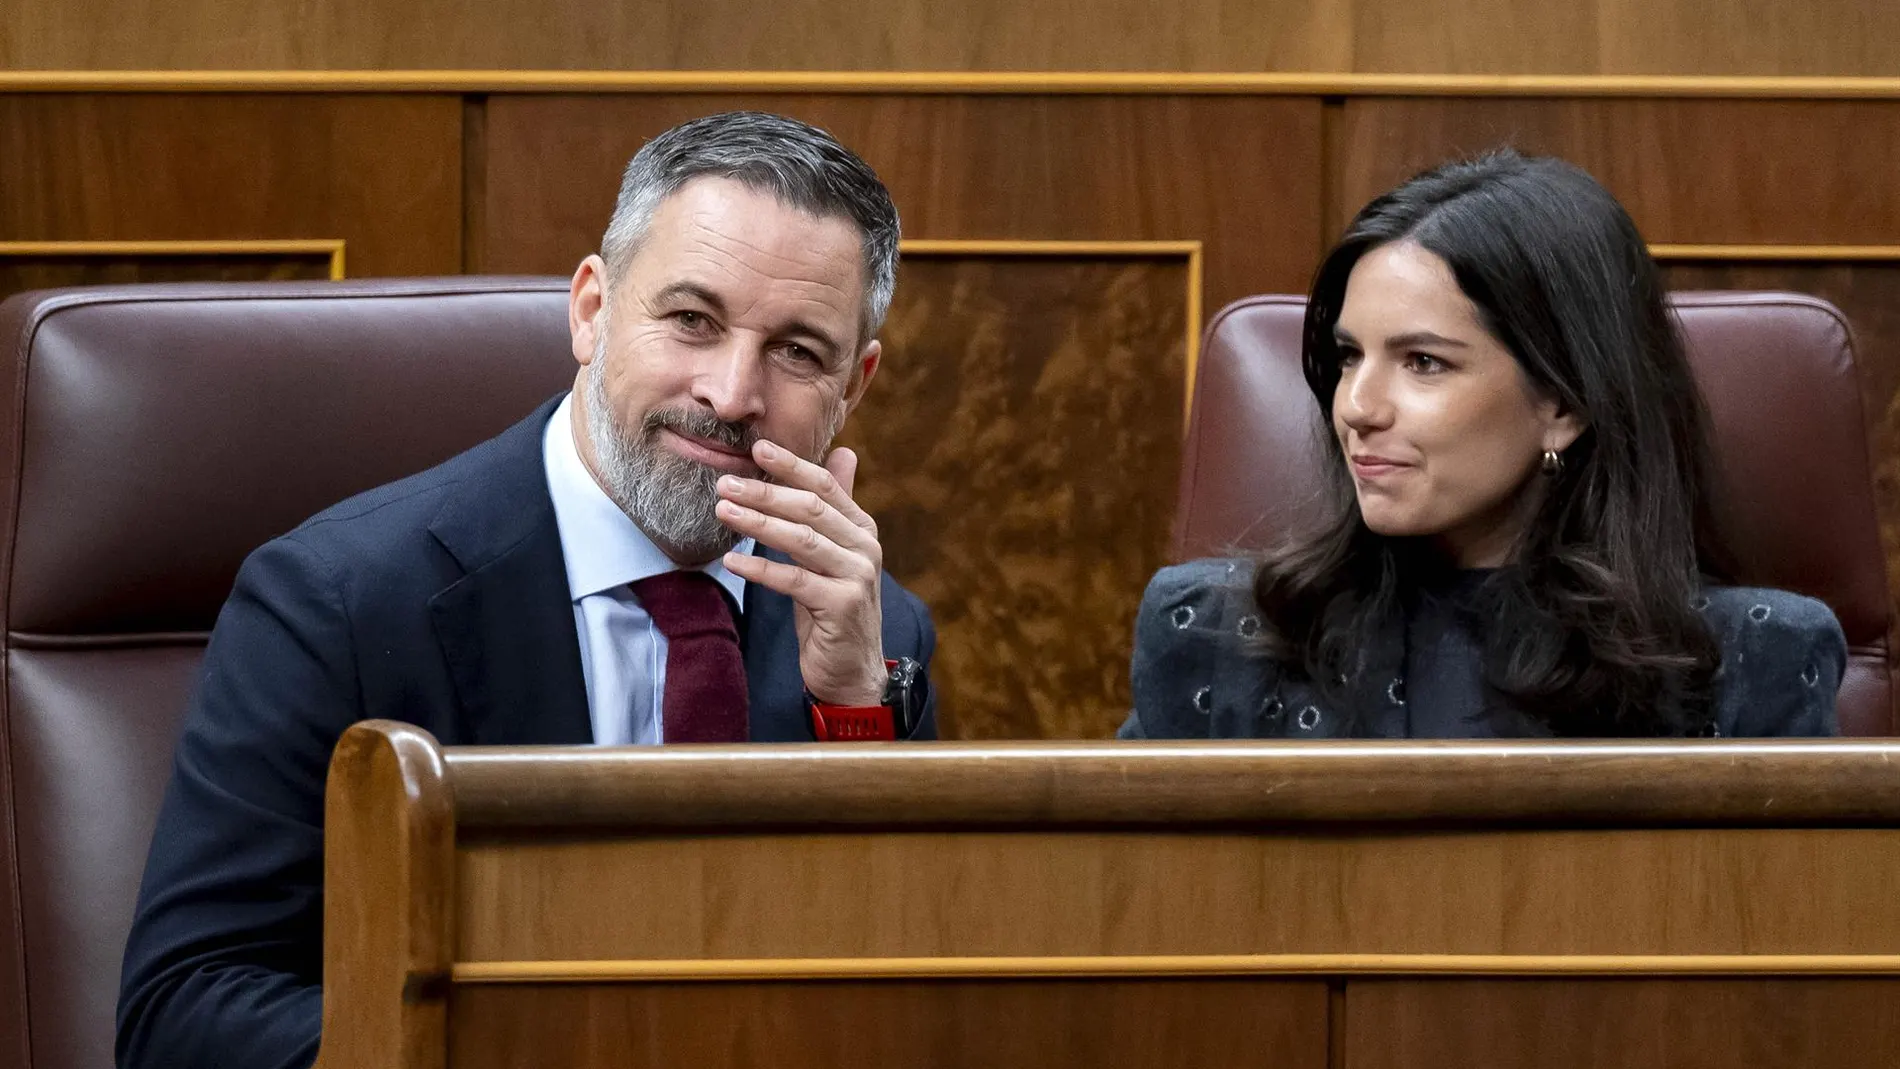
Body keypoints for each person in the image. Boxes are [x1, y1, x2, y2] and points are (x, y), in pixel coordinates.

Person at [117, 111, 938, 1069]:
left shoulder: (873, 634)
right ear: (591, 310)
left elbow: (902, 994)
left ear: (855, 385)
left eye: (797, 351)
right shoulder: (336, 601)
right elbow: (185, 1012)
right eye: (692, 320)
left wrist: (853, 713)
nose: (731, 393)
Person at [1122, 150, 1843, 741]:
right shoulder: (1212, 636)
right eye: (1348, 356)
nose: (1357, 407)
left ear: (1563, 404)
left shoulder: (1749, 664)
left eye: (1423, 362)